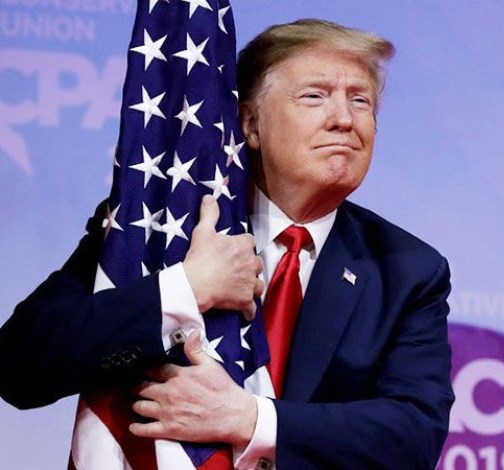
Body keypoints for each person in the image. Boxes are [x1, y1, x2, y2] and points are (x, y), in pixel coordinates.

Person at [0, 19, 454, 469]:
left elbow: (414, 435)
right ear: (250, 124)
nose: (344, 119)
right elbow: (20, 366)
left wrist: (250, 420)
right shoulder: (160, 223)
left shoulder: (407, 269)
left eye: (360, 100)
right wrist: (184, 289)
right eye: (314, 96)